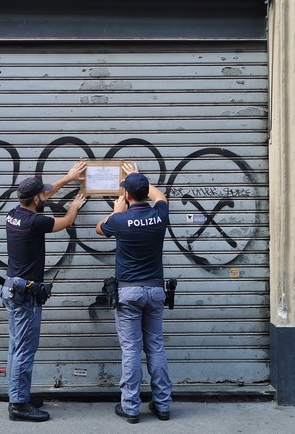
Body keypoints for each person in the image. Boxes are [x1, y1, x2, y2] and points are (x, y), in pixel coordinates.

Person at [2, 162, 86, 422]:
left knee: (17, 347)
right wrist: (74, 206)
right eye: (42, 195)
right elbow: (66, 222)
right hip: (25, 295)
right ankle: (18, 405)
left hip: (12, 289)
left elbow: (45, 192)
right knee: (25, 349)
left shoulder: (15, 213)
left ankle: (19, 394)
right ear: (35, 199)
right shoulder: (35, 222)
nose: (45, 195)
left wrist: (68, 178)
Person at [95, 162, 172, 424]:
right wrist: (138, 178)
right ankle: (162, 405)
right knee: (156, 347)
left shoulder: (119, 220)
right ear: (144, 193)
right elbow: (160, 196)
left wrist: (116, 210)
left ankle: (130, 408)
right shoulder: (160, 215)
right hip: (155, 290)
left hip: (128, 293)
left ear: (127, 195)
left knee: (130, 350)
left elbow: (99, 228)